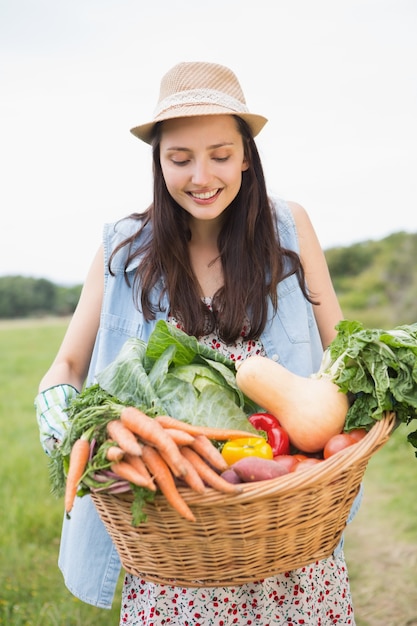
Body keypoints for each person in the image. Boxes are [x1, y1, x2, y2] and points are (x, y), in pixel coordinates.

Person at [35, 61, 360, 625]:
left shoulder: (290, 227)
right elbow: (67, 362)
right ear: (158, 162)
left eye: (220, 155)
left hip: (282, 536)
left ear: (246, 156)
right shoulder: (124, 247)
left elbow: (341, 349)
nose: (201, 177)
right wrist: (77, 433)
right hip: (174, 542)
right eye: (179, 159)